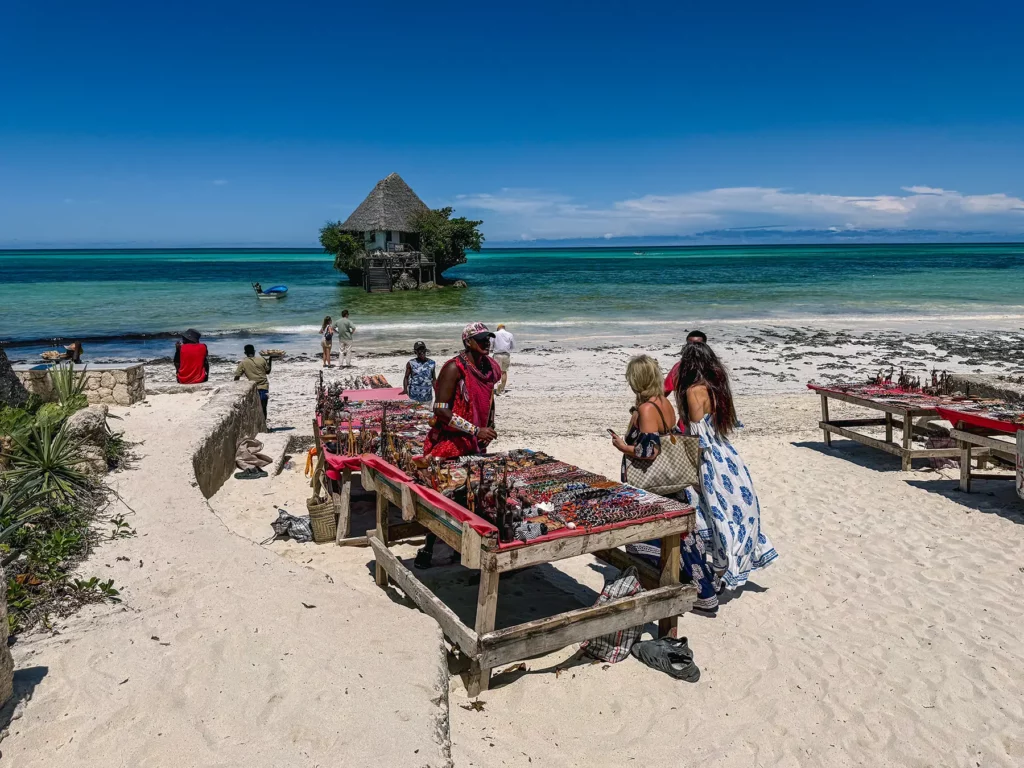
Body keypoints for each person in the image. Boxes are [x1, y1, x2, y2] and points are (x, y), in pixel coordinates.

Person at [611, 355, 720, 614]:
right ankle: (701, 586)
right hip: (671, 484)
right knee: (683, 539)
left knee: (659, 537)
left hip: (653, 487)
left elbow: (650, 451)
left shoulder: (648, 409)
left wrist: (623, 447)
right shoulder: (663, 403)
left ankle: (680, 588)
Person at [674, 342, 777, 591]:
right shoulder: (717, 388)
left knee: (707, 512)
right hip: (727, 454)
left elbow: (698, 437)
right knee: (729, 511)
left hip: (710, 459)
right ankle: (723, 567)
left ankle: (717, 571)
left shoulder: (693, 391)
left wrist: (690, 469)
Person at [415, 322, 501, 568]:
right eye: (481, 339)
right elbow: (440, 410)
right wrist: (476, 429)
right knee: (444, 497)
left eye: (488, 338)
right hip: (449, 443)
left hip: (475, 442)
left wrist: (489, 425)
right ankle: (429, 548)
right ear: (468, 342)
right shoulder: (454, 368)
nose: (487, 342)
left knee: (470, 497)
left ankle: (462, 548)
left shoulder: (489, 368)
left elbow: (490, 399)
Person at [664, 330, 707, 395]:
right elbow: (665, 390)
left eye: (697, 344)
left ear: (705, 346)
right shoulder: (679, 367)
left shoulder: (713, 367)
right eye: (690, 344)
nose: (693, 347)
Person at [234, 344, 272, 418]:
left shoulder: (243, 363)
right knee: (263, 407)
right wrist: (270, 359)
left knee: (255, 408)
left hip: (253, 388)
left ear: (245, 353)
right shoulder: (262, 359)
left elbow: (237, 377)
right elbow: (268, 371)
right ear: (254, 351)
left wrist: (236, 387)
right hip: (264, 387)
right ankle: (264, 425)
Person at [491, 323, 515, 395]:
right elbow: (513, 346)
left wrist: (493, 349)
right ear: (504, 328)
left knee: (497, 372)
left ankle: (498, 387)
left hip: (497, 355)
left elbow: (491, 345)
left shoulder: (494, 334)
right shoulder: (510, 334)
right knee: (504, 372)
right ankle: (502, 389)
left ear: (498, 328)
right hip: (506, 354)